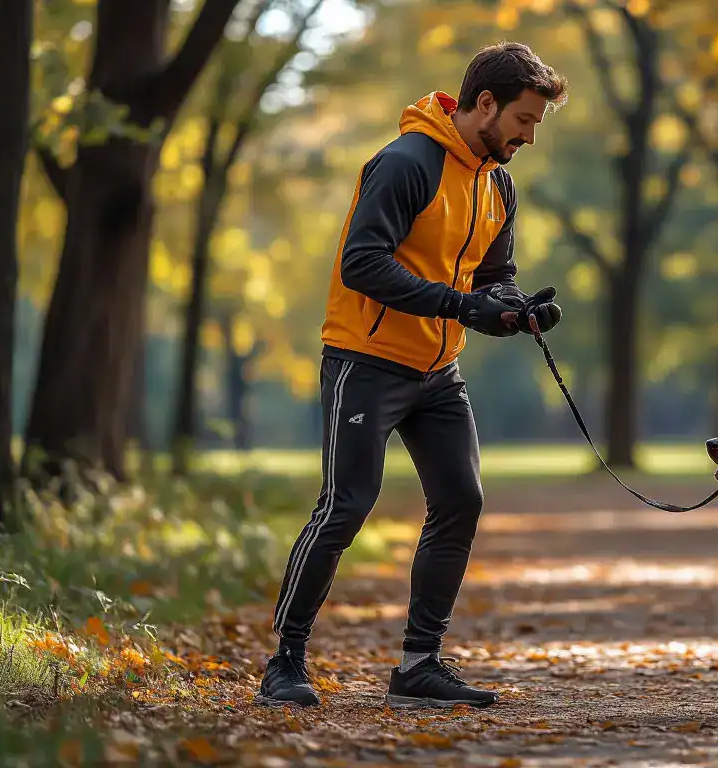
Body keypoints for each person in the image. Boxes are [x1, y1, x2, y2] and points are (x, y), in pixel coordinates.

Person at [256, 42, 568, 710]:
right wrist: (461, 305)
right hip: (365, 363)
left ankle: (419, 665)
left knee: (461, 500)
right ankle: (284, 662)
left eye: (537, 123)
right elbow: (361, 264)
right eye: (524, 118)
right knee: (346, 505)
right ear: (485, 103)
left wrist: (516, 312)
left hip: (438, 370)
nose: (529, 135)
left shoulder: (497, 181)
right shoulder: (406, 162)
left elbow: (491, 278)